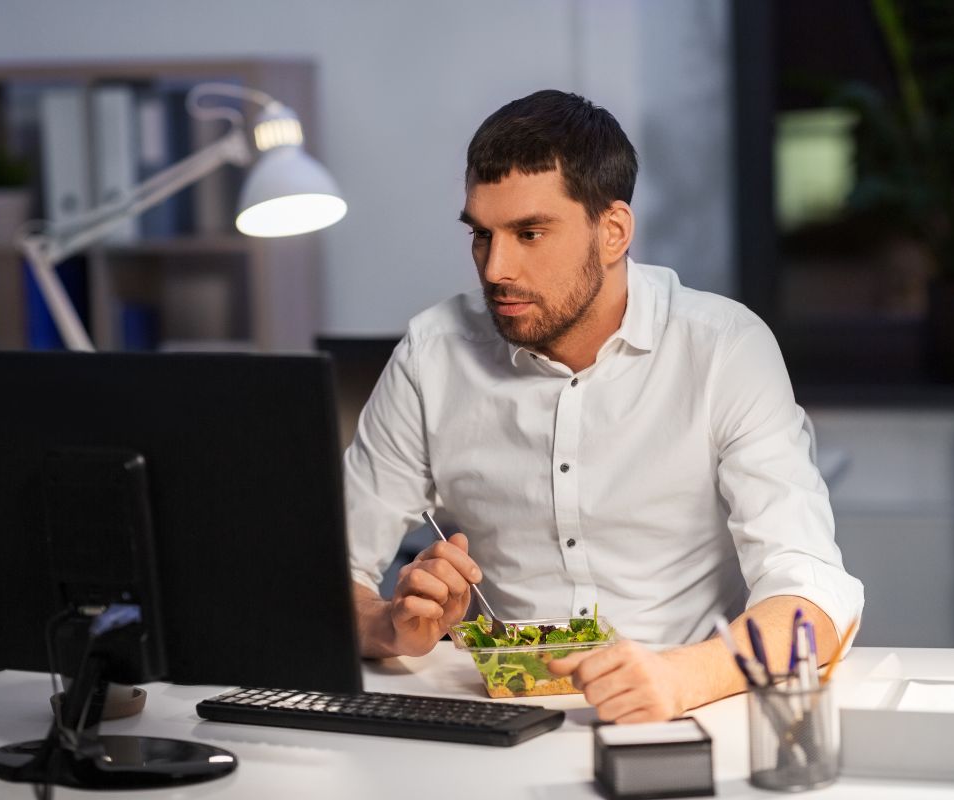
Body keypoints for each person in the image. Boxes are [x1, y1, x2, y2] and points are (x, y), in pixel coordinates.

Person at [347, 89, 864, 723]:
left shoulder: (725, 348)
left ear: (613, 231)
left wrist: (679, 679)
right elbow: (324, 574)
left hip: (690, 704)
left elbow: (812, 595)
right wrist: (390, 627)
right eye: (482, 235)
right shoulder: (432, 354)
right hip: (493, 711)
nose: (497, 268)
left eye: (529, 233)